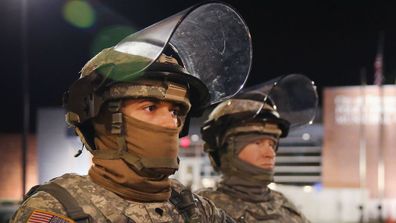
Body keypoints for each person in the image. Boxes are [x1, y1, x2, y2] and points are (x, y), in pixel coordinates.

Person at [10, 2, 253, 222]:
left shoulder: (193, 208)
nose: (171, 123)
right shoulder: (58, 209)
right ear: (101, 119)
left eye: (177, 111)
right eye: (150, 107)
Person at [197, 74, 318, 223]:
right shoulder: (201, 210)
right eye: (258, 143)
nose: (270, 154)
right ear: (225, 150)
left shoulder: (285, 207)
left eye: (272, 144)